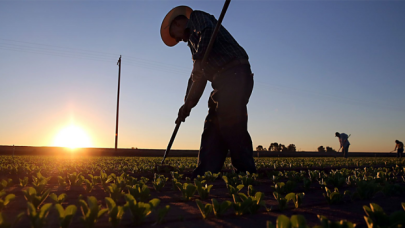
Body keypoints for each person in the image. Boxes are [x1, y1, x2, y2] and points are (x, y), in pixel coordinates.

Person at [160, 6, 257, 177]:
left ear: (176, 23)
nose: (180, 40)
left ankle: (246, 172)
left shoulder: (198, 18)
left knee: (230, 118)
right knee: (212, 124)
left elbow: (208, 31)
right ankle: (205, 172)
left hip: (236, 72)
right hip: (221, 82)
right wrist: (187, 105)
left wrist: (198, 61)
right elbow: (198, 77)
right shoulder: (193, 45)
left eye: (176, 36)